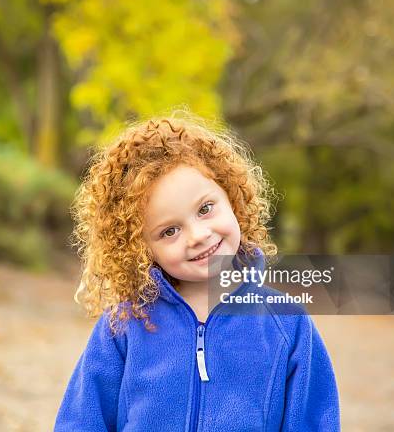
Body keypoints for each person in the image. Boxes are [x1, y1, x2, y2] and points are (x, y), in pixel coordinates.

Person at [55, 113, 340, 431]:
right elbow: (81, 421)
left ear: (231, 197)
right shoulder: (124, 327)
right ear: (141, 248)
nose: (198, 235)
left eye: (205, 209)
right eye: (169, 231)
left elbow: (315, 422)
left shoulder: (287, 324)